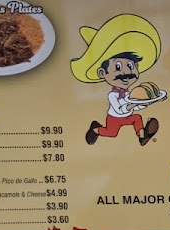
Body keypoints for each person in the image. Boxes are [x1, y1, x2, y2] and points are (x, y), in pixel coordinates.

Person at [70, 14, 164, 146]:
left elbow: (134, 104)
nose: (126, 73)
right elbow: (120, 109)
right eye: (118, 67)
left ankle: (142, 136)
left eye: (130, 66)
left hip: (127, 116)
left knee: (137, 118)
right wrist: (133, 104)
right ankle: (95, 129)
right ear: (102, 73)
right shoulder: (112, 95)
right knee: (111, 133)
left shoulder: (129, 92)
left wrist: (145, 103)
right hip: (114, 118)